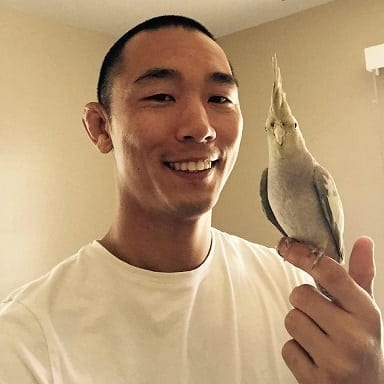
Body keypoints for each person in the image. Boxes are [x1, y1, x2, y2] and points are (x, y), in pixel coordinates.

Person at [0, 15, 382, 384]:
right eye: (161, 96)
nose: (201, 127)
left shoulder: (302, 296)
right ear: (101, 127)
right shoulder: (25, 340)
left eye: (220, 98)